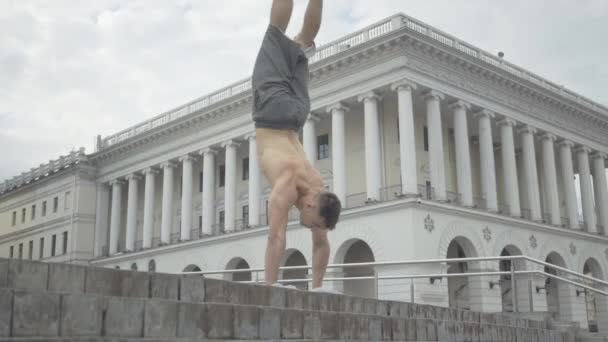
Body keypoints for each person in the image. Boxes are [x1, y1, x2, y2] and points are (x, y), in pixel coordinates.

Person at [251, 0, 341, 290]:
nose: (313, 229)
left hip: (298, 113)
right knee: (276, 30)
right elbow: (276, 237)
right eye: (315, 224)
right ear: (314, 204)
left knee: (303, 41)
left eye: (317, 226)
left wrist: (317, 290)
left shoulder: (320, 189)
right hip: (272, 111)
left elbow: (322, 246)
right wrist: (269, 285)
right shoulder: (290, 182)